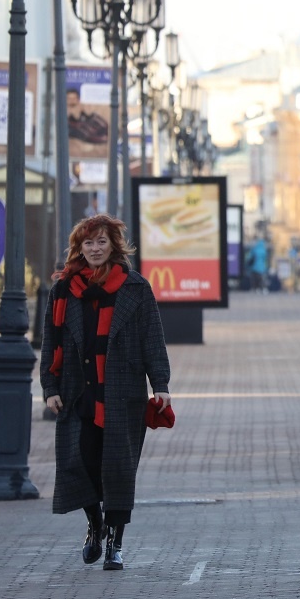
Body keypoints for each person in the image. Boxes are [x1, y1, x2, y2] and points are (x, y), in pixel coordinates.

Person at [40, 214, 172, 571]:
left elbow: (153, 340)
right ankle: (95, 525)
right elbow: (50, 341)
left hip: (122, 393)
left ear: (114, 245)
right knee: (79, 464)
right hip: (78, 392)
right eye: (88, 243)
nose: (95, 249)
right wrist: (49, 388)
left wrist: (160, 385)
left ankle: (115, 542)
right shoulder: (64, 289)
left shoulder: (135, 287)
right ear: (78, 248)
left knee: (118, 469)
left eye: (101, 242)